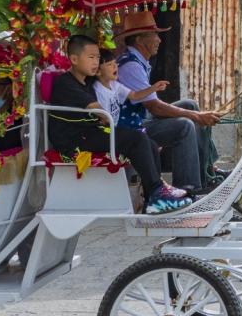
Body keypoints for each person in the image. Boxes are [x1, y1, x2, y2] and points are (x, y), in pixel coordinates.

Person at [46, 35, 191, 214]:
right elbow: (97, 109)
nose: (96, 62)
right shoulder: (66, 83)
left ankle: (155, 192)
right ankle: (156, 194)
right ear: (74, 59)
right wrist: (108, 120)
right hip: (74, 140)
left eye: (98, 58)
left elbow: (112, 89)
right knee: (135, 139)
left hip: (90, 132)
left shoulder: (88, 80)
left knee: (149, 143)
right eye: (91, 57)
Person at [116, 11, 221, 192]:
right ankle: (189, 188)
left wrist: (195, 113)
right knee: (184, 125)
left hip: (142, 118)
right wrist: (196, 116)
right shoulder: (131, 66)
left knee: (190, 104)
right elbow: (155, 107)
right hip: (131, 128)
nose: (159, 40)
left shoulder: (138, 61)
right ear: (140, 40)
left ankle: (207, 172)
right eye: (154, 35)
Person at [93, 49, 166, 127]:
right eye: (110, 64)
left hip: (114, 129)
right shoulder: (98, 90)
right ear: (98, 72)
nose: (115, 66)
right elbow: (102, 119)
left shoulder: (114, 85)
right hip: (106, 132)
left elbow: (134, 95)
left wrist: (153, 88)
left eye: (115, 62)